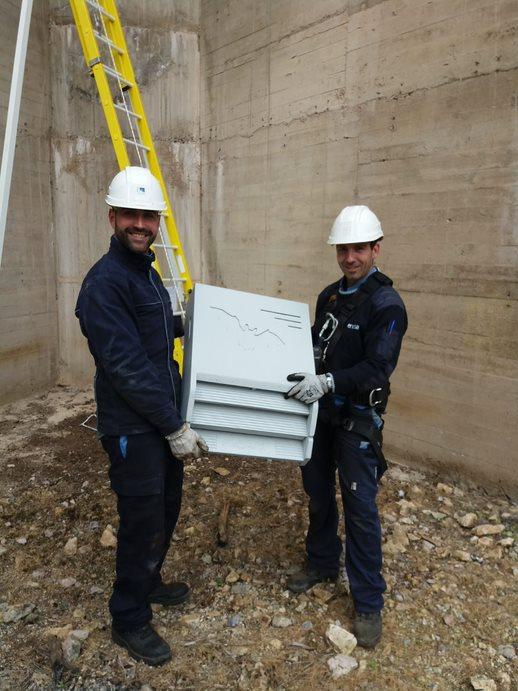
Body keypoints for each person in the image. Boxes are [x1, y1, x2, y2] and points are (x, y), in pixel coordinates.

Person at [75, 166, 207, 666]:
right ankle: (128, 618)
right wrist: (173, 426)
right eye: (130, 214)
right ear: (112, 217)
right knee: (141, 518)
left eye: (148, 216)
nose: (140, 224)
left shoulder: (144, 272)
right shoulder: (103, 284)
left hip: (161, 417)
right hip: (134, 427)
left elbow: (148, 335)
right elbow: (127, 366)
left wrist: (187, 324)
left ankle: (148, 582)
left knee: (166, 505)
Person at [284, 205, 407, 649]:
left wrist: (331, 381)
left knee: (359, 508)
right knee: (316, 491)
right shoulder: (329, 297)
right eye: (343, 249)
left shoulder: (387, 305)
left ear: (376, 249)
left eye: (358, 248)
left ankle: (368, 601)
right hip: (322, 414)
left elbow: (378, 367)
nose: (350, 257)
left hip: (356, 418)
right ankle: (320, 562)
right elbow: (314, 344)